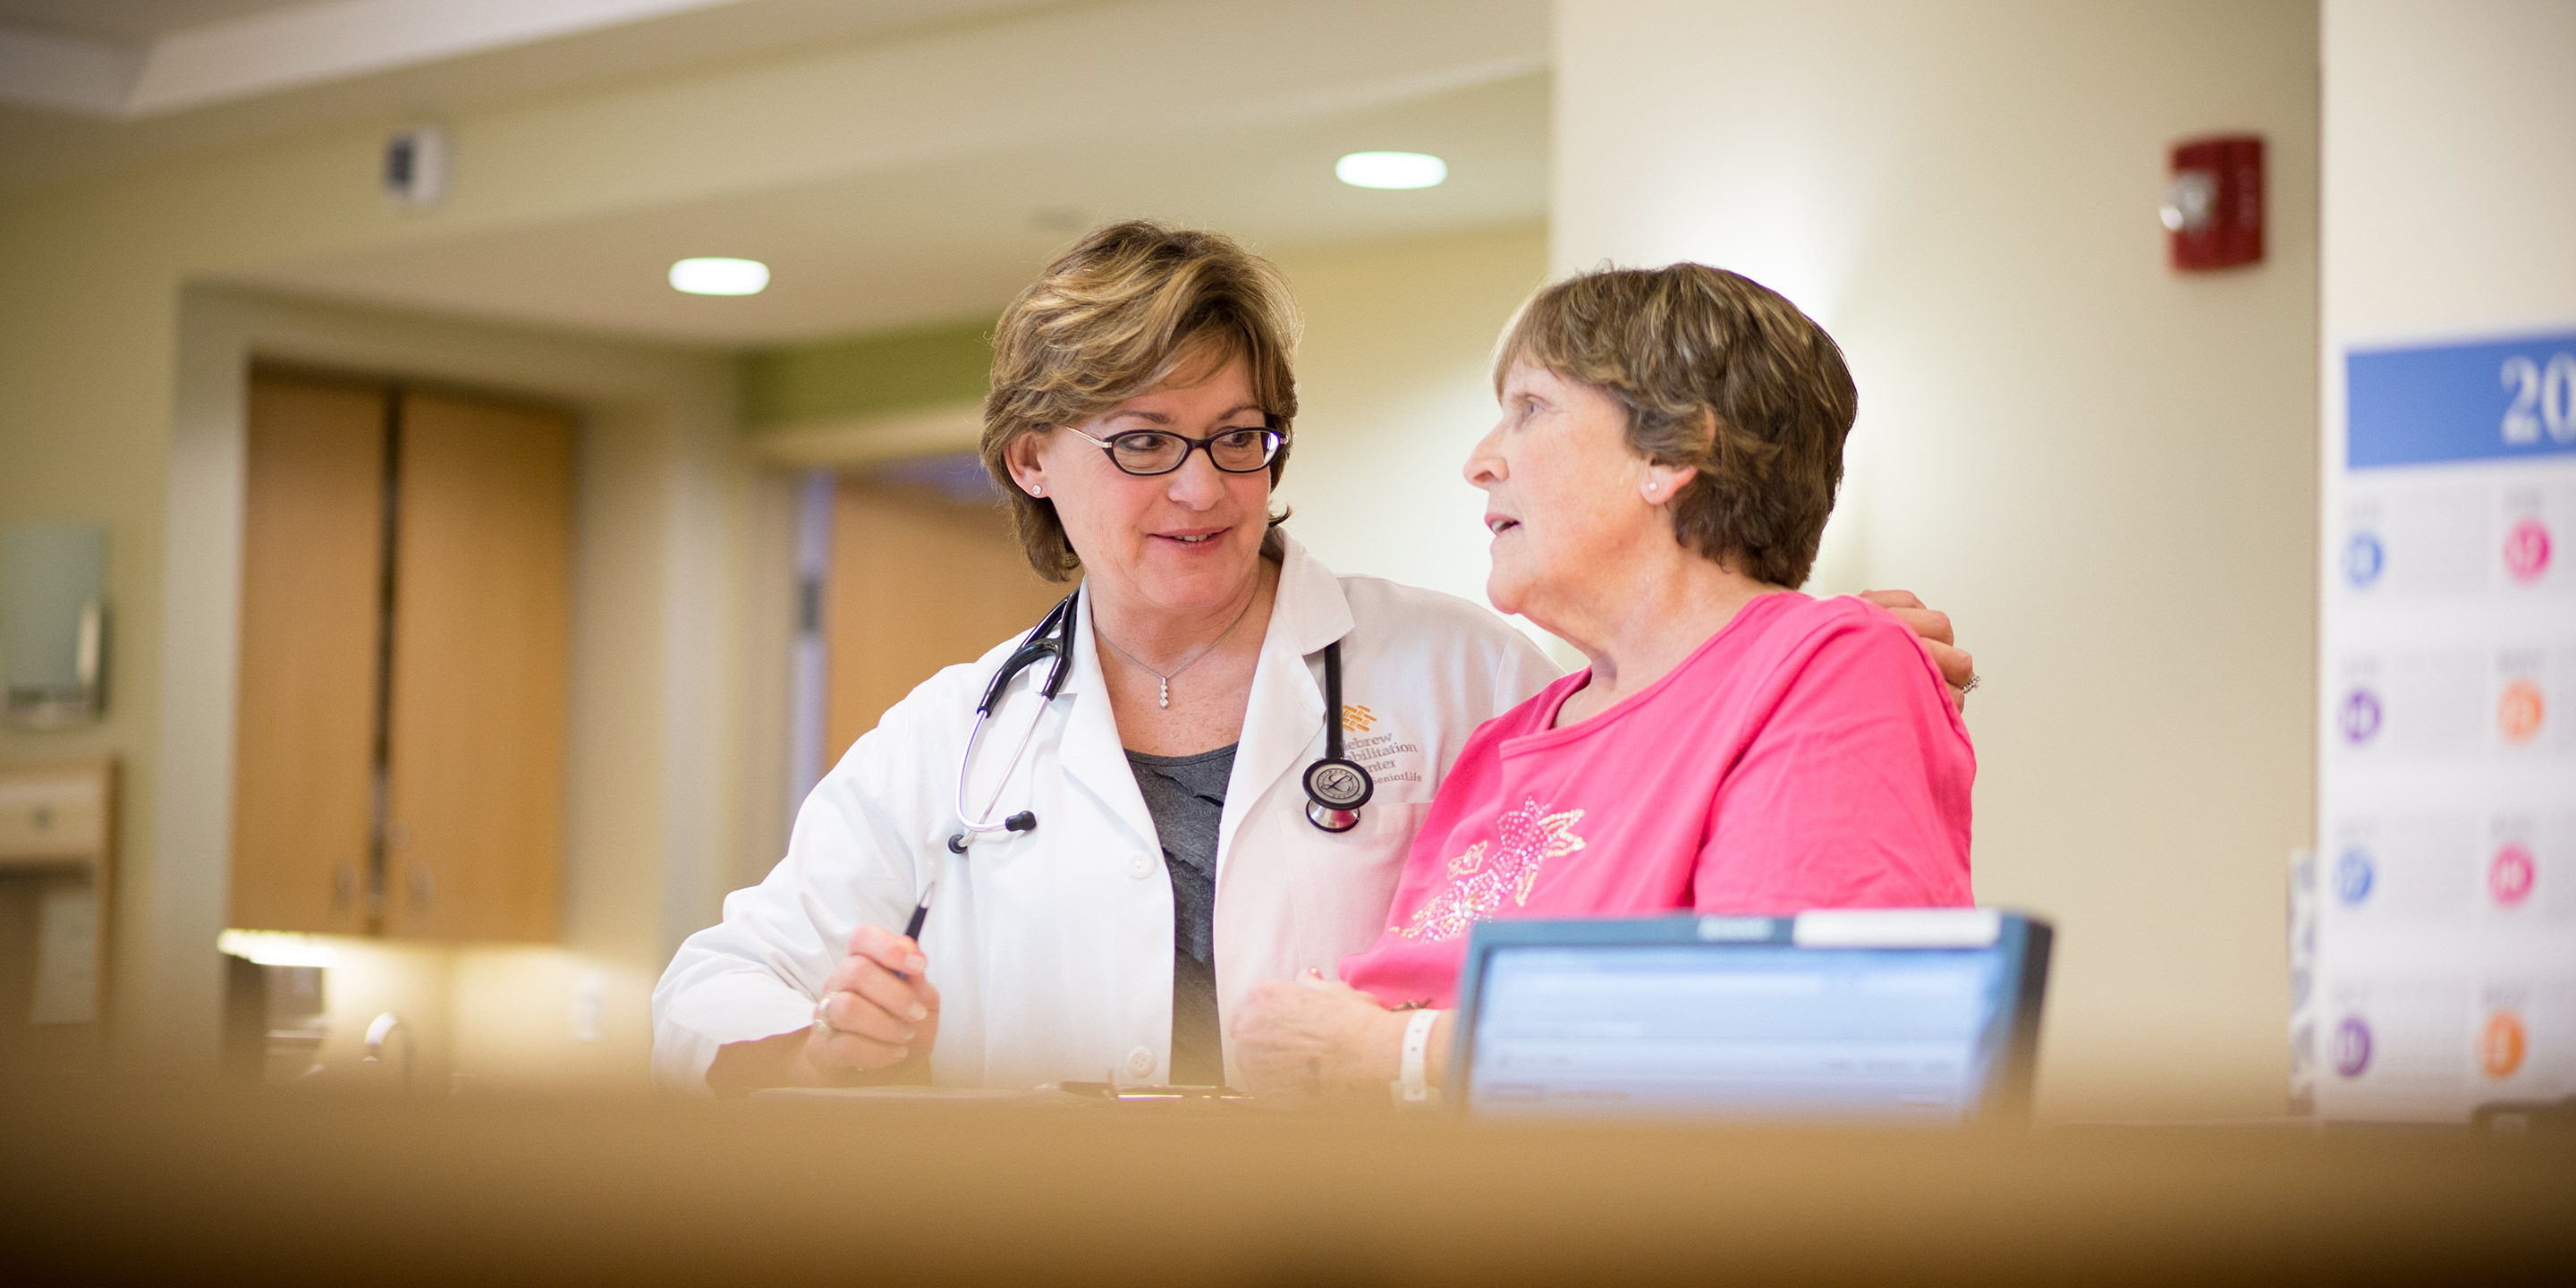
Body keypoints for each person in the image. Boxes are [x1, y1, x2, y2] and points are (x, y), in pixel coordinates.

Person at [649, 224, 1973, 1094]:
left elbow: (1820, 1038)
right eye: (1144, 441)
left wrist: (1799, 654)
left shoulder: (1471, 680)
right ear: (1034, 460)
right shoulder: (956, 733)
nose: (1203, 484)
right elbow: (709, 988)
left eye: (1240, 437)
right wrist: (819, 1061)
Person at [1231, 262, 1974, 1106]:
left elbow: (1798, 1034)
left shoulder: (1827, 668)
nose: (1479, 461)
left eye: (1531, 409)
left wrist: (1396, 1055)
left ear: (1671, 453)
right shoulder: (1511, 739)